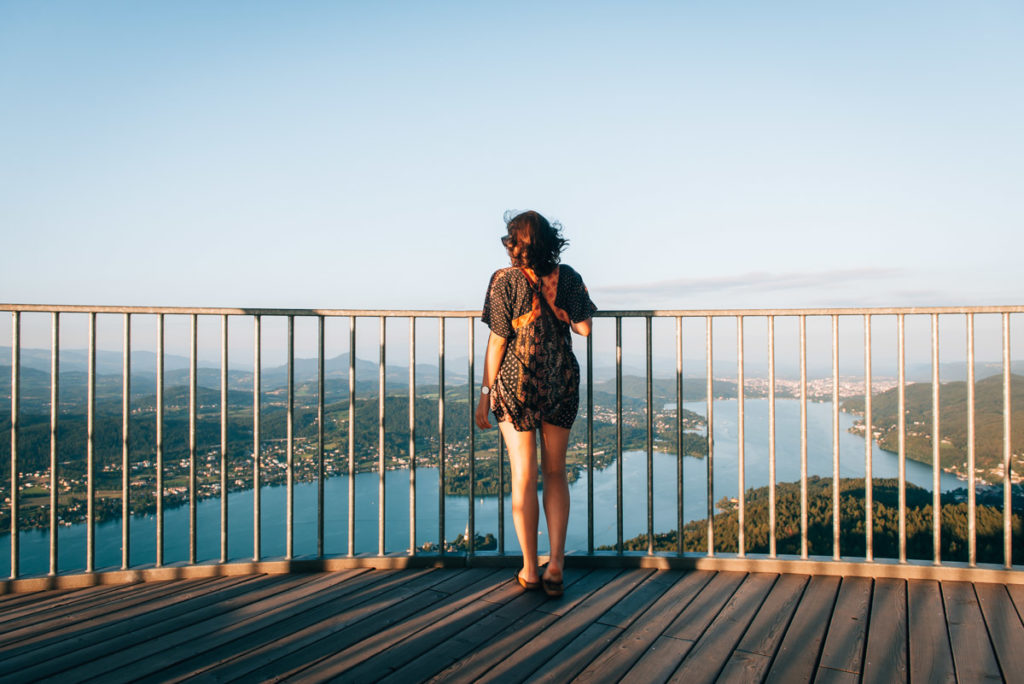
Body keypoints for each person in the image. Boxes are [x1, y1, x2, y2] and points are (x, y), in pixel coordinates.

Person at [475, 210, 596, 598]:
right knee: (557, 473)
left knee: (524, 475)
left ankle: (530, 569)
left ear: (516, 243)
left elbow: (496, 341)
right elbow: (585, 328)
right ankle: (556, 565)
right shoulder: (569, 277)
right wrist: (565, 306)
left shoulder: (504, 280)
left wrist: (484, 395)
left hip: (516, 385)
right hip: (560, 381)